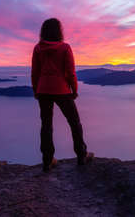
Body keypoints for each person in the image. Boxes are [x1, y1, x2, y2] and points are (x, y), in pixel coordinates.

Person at [31, 18, 93, 172]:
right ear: (59, 31)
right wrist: (75, 89)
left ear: (43, 31)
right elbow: (71, 72)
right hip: (62, 90)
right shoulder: (65, 48)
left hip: (43, 90)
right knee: (74, 123)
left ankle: (47, 161)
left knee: (46, 125)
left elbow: (35, 72)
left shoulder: (38, 48)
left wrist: (36, 90)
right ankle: (81, 156)